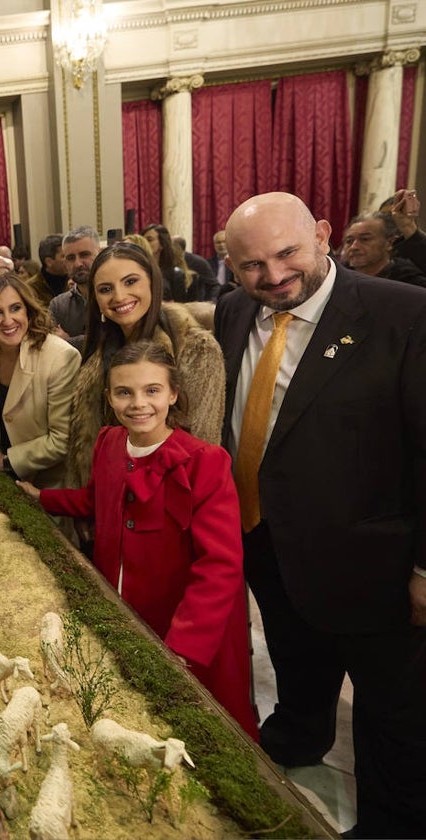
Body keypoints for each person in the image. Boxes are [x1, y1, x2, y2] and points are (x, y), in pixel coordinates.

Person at [216, 192, 426, 837]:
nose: (273, 276)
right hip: (269, 542)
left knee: (392, 713)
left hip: (375, 563)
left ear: (324, 236)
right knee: (295, 659)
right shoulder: (230, 314)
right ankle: (298, 738)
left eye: (287, 254)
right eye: (252, 265)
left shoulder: (404, 314)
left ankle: (393, 823)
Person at [19, 342, 257, 737]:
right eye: (124, 392)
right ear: (109, 397)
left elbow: (220, 566)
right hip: (125, 612)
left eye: (152, 391)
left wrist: (182, 649)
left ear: (173, 394)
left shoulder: (205, 462)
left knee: (192, 727)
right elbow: (95, 500)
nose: (138, 404)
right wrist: (41, 497)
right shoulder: (109, 442)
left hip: (184, 627)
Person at [64, 240, 225, 495]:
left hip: (167, 504)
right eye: (106, 289)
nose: (119, 297)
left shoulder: (195, 347)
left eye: (130, 282)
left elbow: (202, 444)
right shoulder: (99, 350)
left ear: (152, 281)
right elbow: (86, 440)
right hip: (109, 501)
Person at [0, 272, 80, 488]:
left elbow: (61, 440)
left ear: (28, 309)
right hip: (0, 479)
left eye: (15, 308)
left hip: (48, 485)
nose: (8, 321)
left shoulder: (60, 357)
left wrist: (6, 461)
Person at [340, 213, 426, 287]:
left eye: (365, 239)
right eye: (349, 241)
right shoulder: (339, 277)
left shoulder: (410, 281)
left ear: (389, 243)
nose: (354, 247)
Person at [48, 226, 99, 345]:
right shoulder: (58, 305)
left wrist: (68, 341)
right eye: (71, 258)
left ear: (99, 254)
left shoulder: (113, 297)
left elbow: (112, 341)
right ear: (65, 263)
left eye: (84, 255)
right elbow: (52, 346)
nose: (77, 264)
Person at [142, 223, 215, 302]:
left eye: (149, 240)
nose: (144, 243)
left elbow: (181, 307)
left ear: (162, 244)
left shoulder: (175, 274)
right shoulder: (139, 270)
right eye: (142, 240)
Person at [380, 187, 426, 274]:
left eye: (393, 216)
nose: (393, 219)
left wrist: (408, 227)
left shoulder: (418, 245)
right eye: (385, 216)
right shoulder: (373, 245)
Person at [27, 234, 68, 305]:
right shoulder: (32, 288)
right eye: (63, 256)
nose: (68, 259)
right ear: (49, 261)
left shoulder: (74, 282)